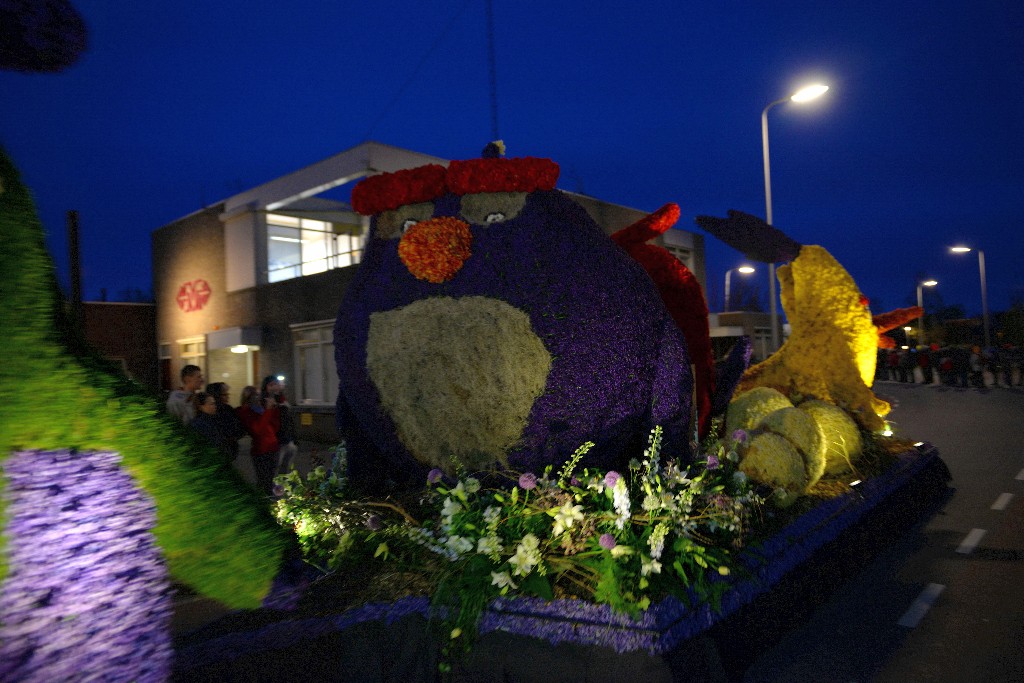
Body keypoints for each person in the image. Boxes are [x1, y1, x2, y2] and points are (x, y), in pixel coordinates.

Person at [237, 385, 280, 495]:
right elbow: (258, 429)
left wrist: (272, 410)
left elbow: (274, 427)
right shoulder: (246, 411)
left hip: (272, 447)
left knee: (270, 480)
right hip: (261, 450)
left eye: (258, 394)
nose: (258, 397)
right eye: (255, 395)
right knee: (264, 481)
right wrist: (268, 411)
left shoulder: (260, 408)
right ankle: (263, 502)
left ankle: (269, 500)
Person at [262, 375, 298, 475]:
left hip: (286, 438)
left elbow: (287, 420)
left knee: (286, 467)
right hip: (275, 440)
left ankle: (282, 487)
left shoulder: (281, 399)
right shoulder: (264, 401)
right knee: (275, 468)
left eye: (276, 384)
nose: (275, 387)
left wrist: (293, 437)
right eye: (271, 385)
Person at [188, 391, 235, 459]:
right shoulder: (198, 424)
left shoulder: (214, 420)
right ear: (201, 406)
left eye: (214, 403)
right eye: (211, 404)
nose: (215, 406)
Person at [206, 382, 246, 460]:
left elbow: (240, 428)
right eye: (224, 394)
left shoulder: (228, 409)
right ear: (216, 395)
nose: (227, 397)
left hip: (230, 451)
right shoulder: (214, 412)